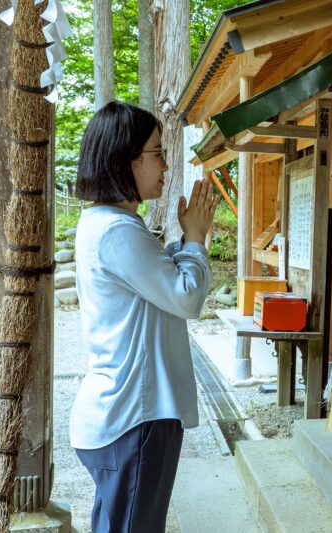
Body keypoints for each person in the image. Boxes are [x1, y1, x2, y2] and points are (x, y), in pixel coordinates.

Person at [69, 101, 218, 532]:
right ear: (128, 160)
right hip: (135, 416)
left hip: (125, 414)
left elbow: (154, 283)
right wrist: (194, 238)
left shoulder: (106, 222)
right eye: (158, 153)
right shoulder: (118, 231)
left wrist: (184, 245)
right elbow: (185, 297)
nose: (166, 165)